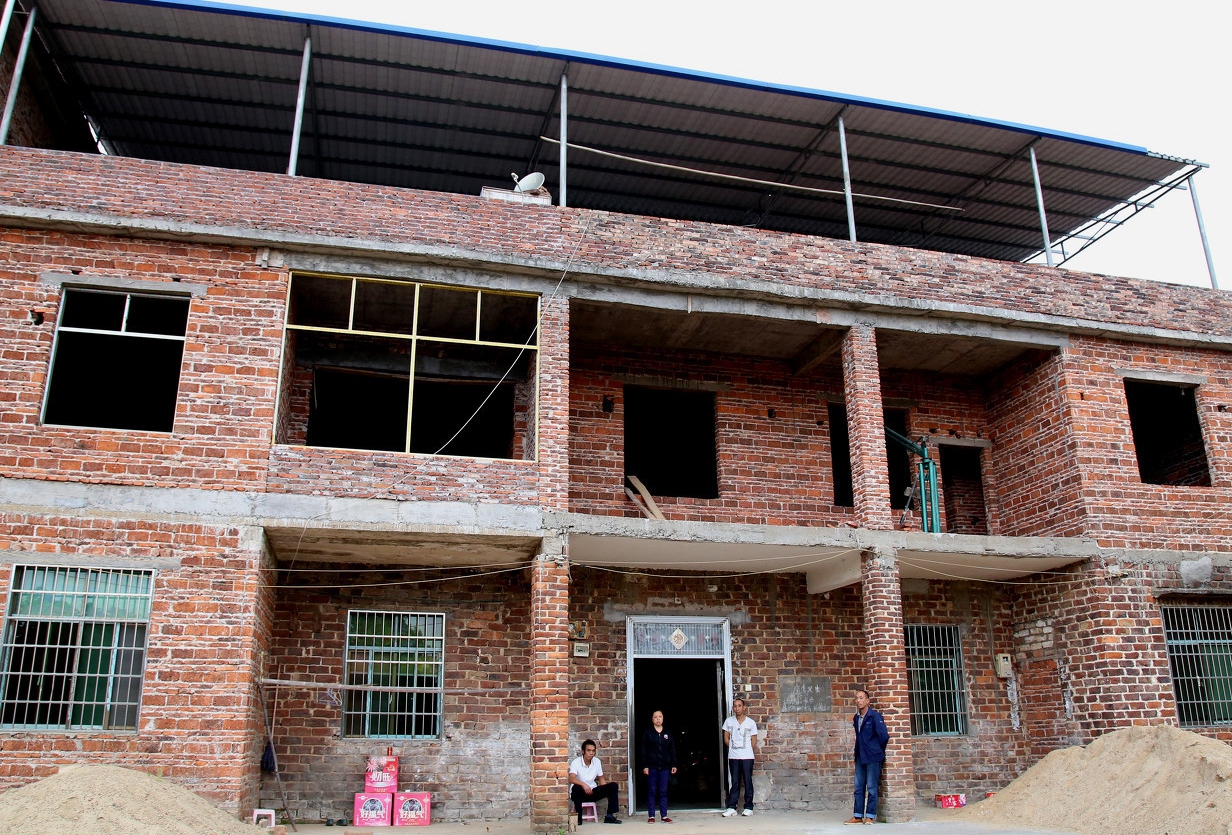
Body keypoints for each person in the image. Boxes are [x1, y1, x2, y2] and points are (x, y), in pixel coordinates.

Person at [845, 688, 889, 825]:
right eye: (857, 698)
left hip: (873, 757)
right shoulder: (856, 718)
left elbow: (884, 736)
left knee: (871, 787)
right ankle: (857, 815)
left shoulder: (874, 717)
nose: (858, 701)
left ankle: (870, 816)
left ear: (867, 701)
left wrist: (877, 751)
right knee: (858, 787)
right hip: (860, 755)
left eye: (861, 698)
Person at [569, 739, 623, 825]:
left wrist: (606, 790)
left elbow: (601, 778)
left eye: (593, 751)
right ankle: (578, 819)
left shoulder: (597, 762)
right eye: (588, 750)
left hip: (592, 792)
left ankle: (609, 816)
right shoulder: (576, 762)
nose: (591, 753)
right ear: (583, 751)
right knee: (576, 788)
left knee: (613, 786)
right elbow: (571, 779)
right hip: (579, 793)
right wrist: (583, 784)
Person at [720, 697, 758, 817]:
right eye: (735, 706)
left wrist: (745, 751)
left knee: (747, 781)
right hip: (733, 757)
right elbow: (726, 738)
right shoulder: (729, 721)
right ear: (733, 708)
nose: (737, 708)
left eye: (739, 705)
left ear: (744, 707)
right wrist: (733, 747)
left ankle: (748, 807)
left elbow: (754, 741)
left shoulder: (751, 722)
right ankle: (732, 807)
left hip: (747, 757)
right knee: (735, 782)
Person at [640, 709, 678, 823]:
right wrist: (645, 765)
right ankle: (651, 816)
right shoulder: (648, 733)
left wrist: (674, 764)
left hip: (665, 767)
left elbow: (672, 749)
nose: (658, 719)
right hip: (652, 766)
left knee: (663, 791)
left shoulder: (668, 732)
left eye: (660, 716)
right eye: (655, 717)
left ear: (663, 718)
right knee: (652, 791)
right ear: (652, 719)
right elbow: (644, 750)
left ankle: (664, 815)